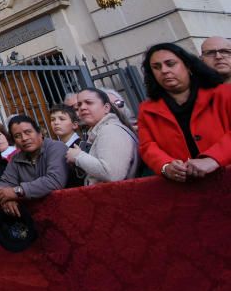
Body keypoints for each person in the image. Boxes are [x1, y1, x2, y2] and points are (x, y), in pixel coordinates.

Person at [138, 43, 231, 182]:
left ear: (188, 66)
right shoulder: (146, 109)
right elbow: (147, 146)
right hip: (183, 187)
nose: (164, 70)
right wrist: (166, 166)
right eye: (156, 67)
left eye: (170, 64)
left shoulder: (224, 94)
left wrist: (213, 159)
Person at [0, 115, 68, 216]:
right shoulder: (16, 159)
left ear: (39, 132)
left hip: (64, 211)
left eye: (28, 132)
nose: (24, 138)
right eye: (17, 136)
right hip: (36, 218)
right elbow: (1, 187)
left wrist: (18, 192)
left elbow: (55, 180)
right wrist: (7, 199)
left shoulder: (56, 147)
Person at [66, 88, 139, 186]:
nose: (82, 107)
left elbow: (112, 174)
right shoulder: (101, 130)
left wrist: (78, 156)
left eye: (89, 102)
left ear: (106, 108)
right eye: (79, 105)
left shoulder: (111, 130)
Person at [48, 104, 83, 187]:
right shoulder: (55, 148)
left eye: (62, 119)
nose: (56, 122)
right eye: (52, 119)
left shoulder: (80, 145)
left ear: (74, 125)